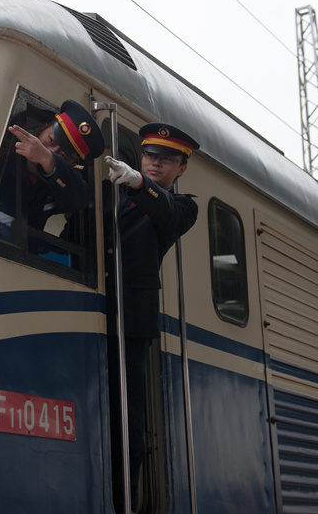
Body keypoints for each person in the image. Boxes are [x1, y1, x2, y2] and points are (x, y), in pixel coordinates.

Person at [103, 122, 199, 511]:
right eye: (149, 156)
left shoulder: (182, 206)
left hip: (131, 319)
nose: (156, 163)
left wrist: (140, 182)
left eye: (167, 159)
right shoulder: (117, 192)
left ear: (181, 169)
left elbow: (166, 214)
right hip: (91, 304)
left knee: (128, 418)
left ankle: (125, 499)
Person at [0, 101, 104, 250]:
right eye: (51, 141)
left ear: (70, 164)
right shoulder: (1, 155)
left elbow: (80, 199)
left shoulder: (57, 185)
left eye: (63, 156)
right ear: (42, 128)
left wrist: (48, 160)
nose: (52, 151)